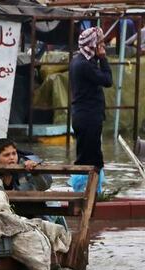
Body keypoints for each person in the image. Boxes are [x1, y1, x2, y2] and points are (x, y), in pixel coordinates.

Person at [69, 26, 112, 170]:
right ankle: (85, 191)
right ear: (94, 44)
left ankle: (93, 191)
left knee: (92, 156)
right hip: (88, 116)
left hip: (86, 115)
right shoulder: (84, 64)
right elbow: (107, 80)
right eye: (101, 43)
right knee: (89, 160)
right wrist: (103, 58)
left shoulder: (81, 60)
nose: (103, 46)